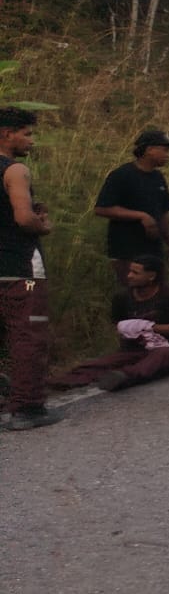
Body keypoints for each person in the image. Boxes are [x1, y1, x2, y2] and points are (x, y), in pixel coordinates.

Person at [0, 107, 61, 430]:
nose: (31, 141)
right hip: (20, 270)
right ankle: (27, 409)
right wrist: (43, 224)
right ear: (7, 134)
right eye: (27, 133)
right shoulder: (15, 170)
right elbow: (23, 218)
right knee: (28, 336)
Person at [49, 255, 169, 392]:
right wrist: (127, 331)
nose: (129, 275)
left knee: (161, 357)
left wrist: (148, 327)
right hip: (134, 348)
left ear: (151, 276)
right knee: (100, 364)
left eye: (135, 273)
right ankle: (63, 381)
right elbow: (116, 325)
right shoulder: (122, 297)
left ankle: (124, 376)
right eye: (130, 271)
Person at [93, 127, 169, 285]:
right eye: (165, 150)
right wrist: (141, 216)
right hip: (127, 251)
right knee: (132, 294)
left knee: (156, 294)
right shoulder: (122, 175)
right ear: (149, 150)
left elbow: (162, 213)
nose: (168, 155)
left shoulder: (158, 177)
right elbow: (102, 208)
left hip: (153, 251)